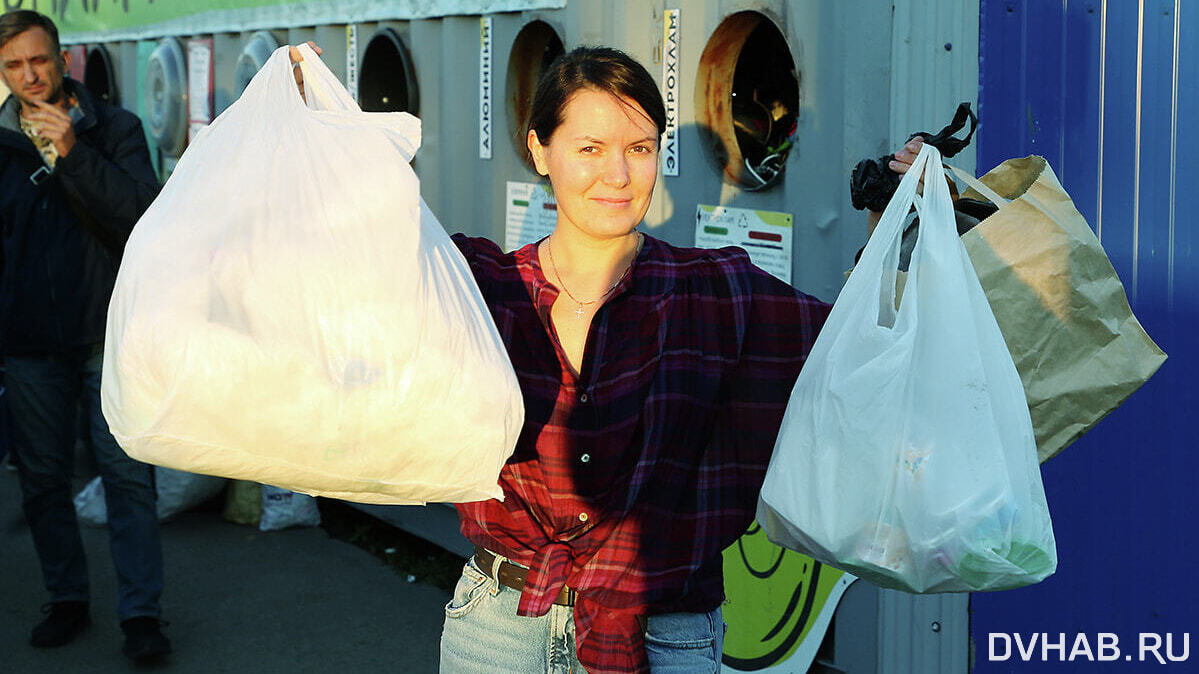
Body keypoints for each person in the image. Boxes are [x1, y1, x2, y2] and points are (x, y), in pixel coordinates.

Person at [291, 44, 920, 673]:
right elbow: (342, 271)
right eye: (589, 148)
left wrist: (898, 218)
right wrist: (303, 128)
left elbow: (856, 351)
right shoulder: (479, 289)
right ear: (540, 150)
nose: (617, 175)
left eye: (639, 148)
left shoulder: (718, 292)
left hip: (667, 636)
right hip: (499, 630)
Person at [0, 10, 169, 662]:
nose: (29, 75)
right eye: (14, 65)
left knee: (128, 478)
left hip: (108, 335)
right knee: (42, 482)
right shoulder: (3, 144)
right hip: (30, 343)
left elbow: (143, 219)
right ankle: (66, 600)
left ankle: (141, 616)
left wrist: (73, 152)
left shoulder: (114, 128)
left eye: (39, 60)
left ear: (63, 60)